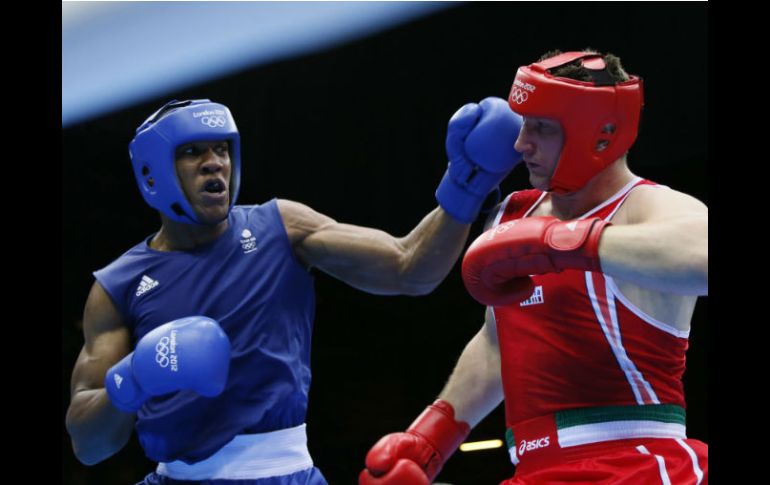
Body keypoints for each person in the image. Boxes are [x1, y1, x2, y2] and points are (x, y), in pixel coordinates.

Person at [65, 97, 524, 484]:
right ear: (154, 173)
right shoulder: (118, 285)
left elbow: (410, 268)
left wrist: (467, 183)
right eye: (192, 152)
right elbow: (88, 444)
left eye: (222, 149)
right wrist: (136, 378)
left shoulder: (279, 226)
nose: (213, 162)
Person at [359, 50, 708, 485]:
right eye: (523, 122)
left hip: (637, 463)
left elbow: (703, 255)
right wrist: (434, 437)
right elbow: (496, 341)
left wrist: (567, 243)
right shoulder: (513, 216)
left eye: (540, 127)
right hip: (531, 471)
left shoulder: (644, 208)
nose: (521, 143)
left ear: (598, 134)